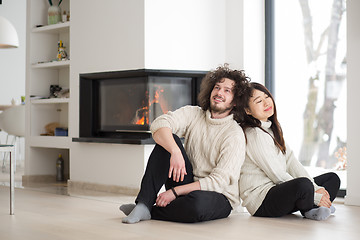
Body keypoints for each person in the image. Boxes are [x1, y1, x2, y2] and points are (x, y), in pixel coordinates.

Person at [120, 64, 250, 223]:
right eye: (217, 87)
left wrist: (174, 192)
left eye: (227, 90)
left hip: (218, 195)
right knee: (169, 140)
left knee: (196, 205)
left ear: (235, 102)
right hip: (187, 183)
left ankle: (150, 211)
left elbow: (219, 181)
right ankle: (143, 204)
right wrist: (175, 151)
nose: (219, 93)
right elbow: (159, 123)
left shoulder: (234, 134)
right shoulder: (194, 113)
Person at [239, 82, 340, 221]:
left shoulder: (272, 129)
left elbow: (291, 161)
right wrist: (316, 196)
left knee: (332, 179)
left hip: (279, 190)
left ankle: (313, 208)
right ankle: (312, 207)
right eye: (259, 101)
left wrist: (316, 188)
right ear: (247, 110)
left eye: (267, 96)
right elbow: (277, 175)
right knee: (303, 185)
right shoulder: (254, 134)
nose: (266, 102)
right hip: (262, 201)